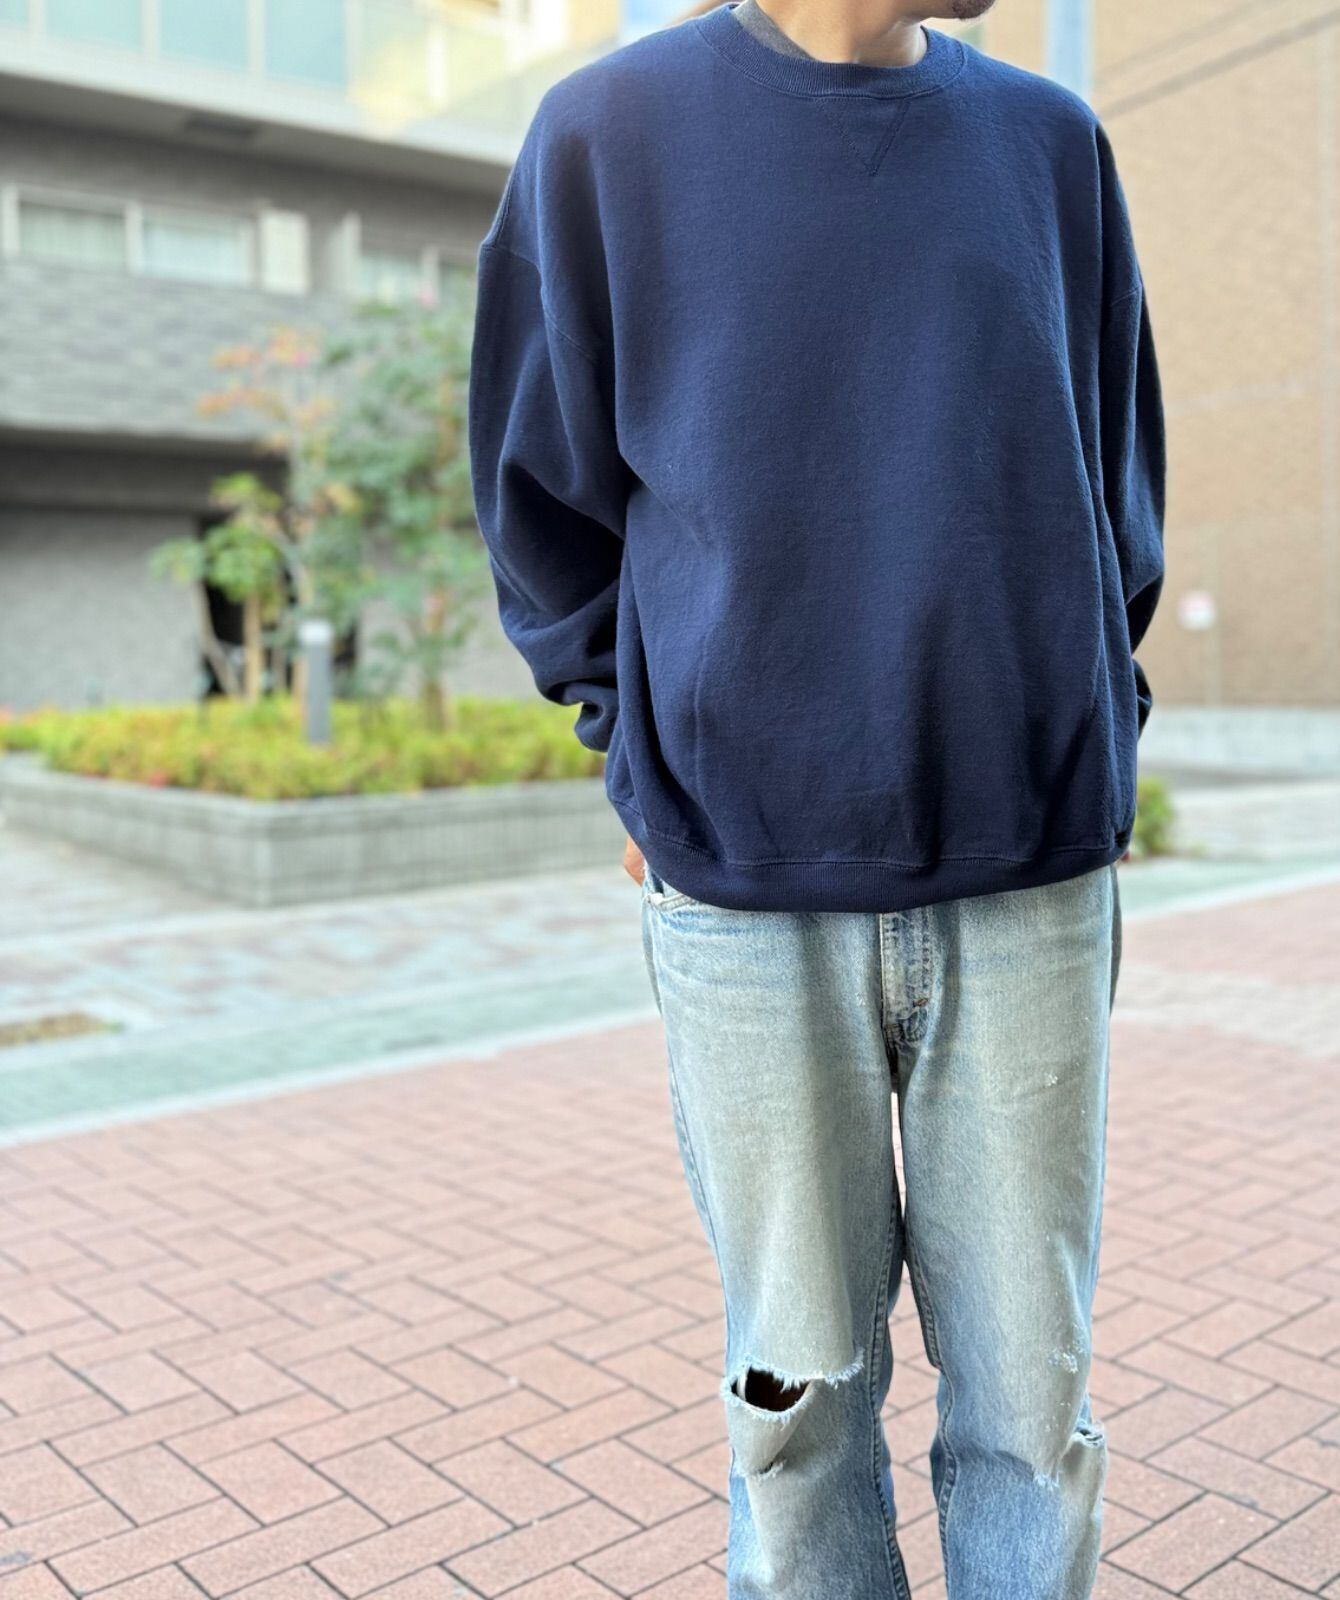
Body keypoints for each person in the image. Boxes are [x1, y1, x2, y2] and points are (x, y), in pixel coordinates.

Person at [468, 0, 1164, 1592]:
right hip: (743, 884)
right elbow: (540, 497)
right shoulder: (607, 138)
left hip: (1031, 873)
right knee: (797, 1415)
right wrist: (632, 745)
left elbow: (1117, 477)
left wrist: (1096, 720)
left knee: (1033, 1412)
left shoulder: (1051, 145)